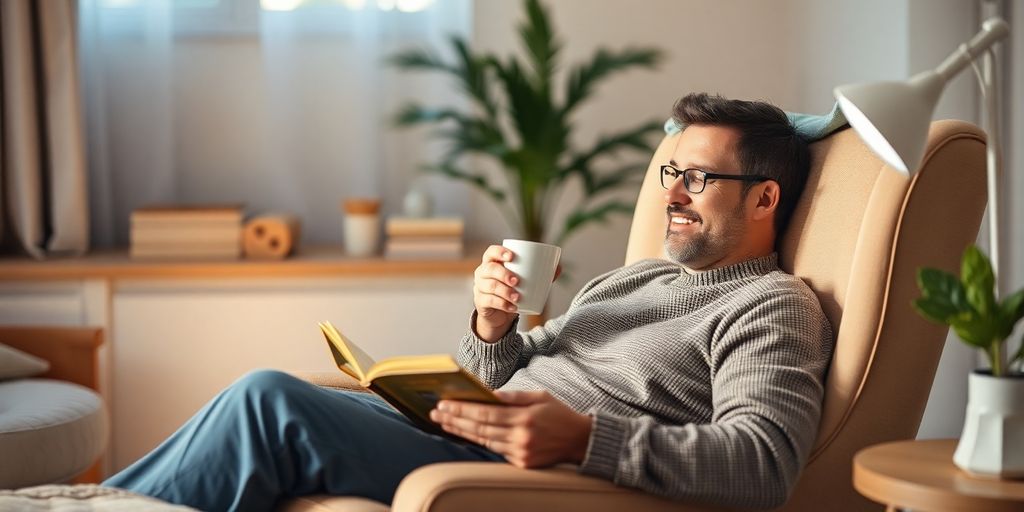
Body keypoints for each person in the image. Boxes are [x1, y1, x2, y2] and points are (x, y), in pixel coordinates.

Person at [103, 93, 832, 511]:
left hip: (522, 473)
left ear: (766, 197)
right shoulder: (633, 279)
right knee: (262, 391)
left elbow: (763, 464)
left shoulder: (770, 306)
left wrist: (581, 438)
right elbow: (501, 375)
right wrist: (493, 325)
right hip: (468, 430)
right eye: (669, 171)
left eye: (695, 179)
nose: (668, 192)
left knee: (268, 403)